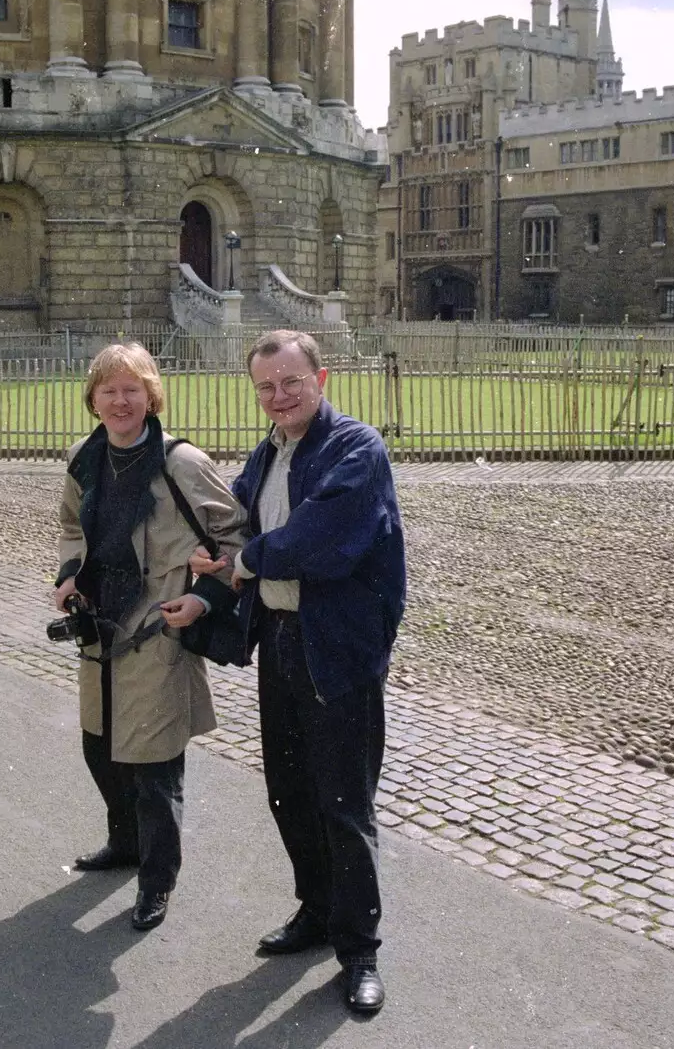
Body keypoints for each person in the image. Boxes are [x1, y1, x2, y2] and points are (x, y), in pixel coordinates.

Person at [191, 329, 406, 1015]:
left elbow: (323, 540)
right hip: (280, 639)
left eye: (291, 383)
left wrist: (243, 560)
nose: (279, 397)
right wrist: (206, 565)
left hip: (336, 645)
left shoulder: (356, 448)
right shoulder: (268, 453)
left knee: (344, 800)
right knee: (289, 789)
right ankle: (316, 912)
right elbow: (230, 520)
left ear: (323, 378)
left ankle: (360, 949)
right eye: (265, 387)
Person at [55, 342, 247, 932]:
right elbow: (69, 528)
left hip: (158, 629)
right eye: (108, 390)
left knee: (155, 768)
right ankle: (126, 845)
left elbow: (236, 537)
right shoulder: (83, 459)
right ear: (93, 398)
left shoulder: (182, 463)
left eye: (131, 389)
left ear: (151, 395)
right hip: (99, 632)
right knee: (101, 747)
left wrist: (204, 596)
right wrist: (67, 576)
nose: (120, 400)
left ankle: (157, 882)